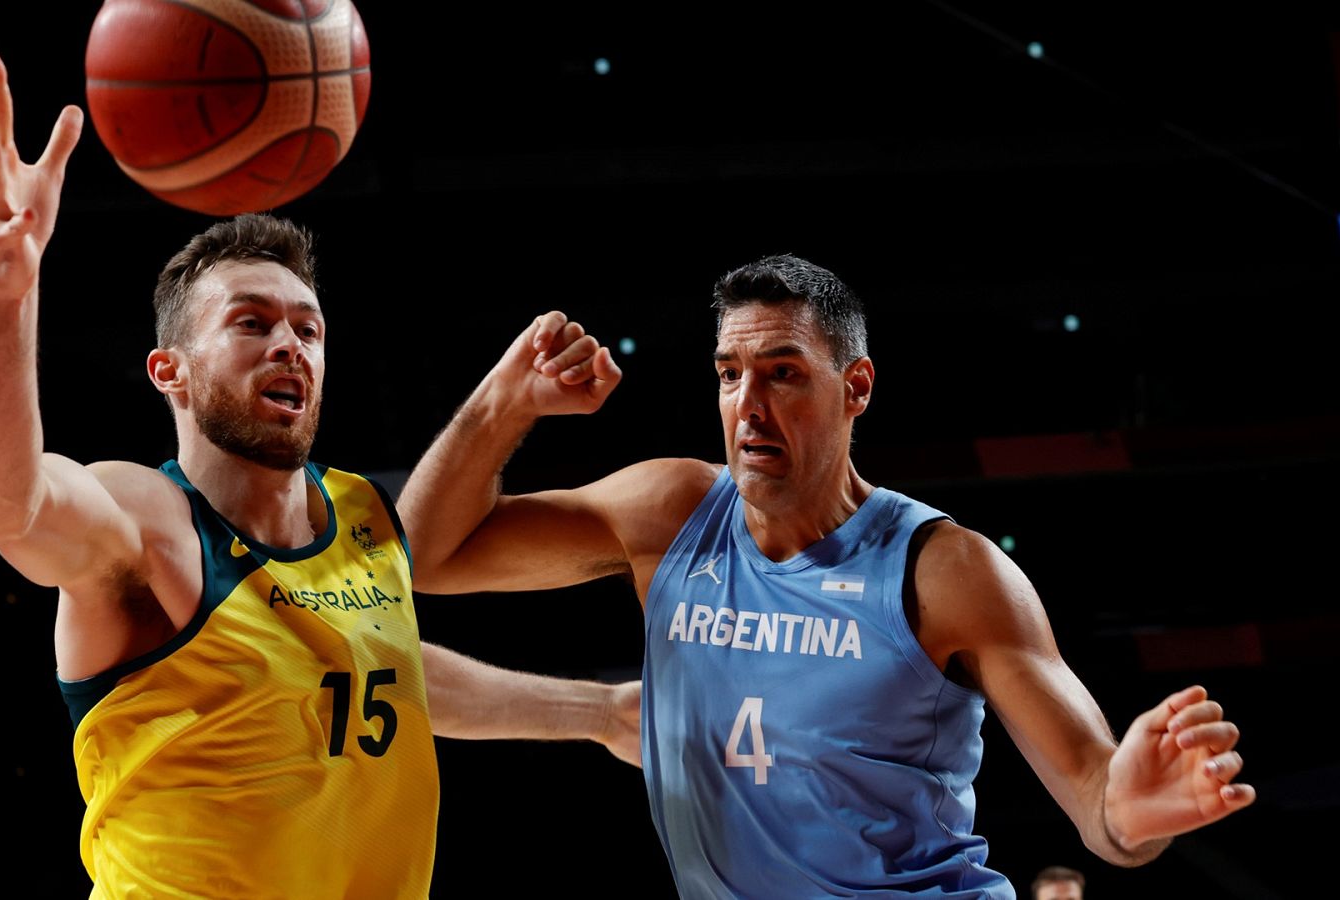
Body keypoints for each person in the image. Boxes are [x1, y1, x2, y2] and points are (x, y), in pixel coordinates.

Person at [0, 51, 638, 899]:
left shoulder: (354, 513)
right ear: (171, 372)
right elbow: (4, 505)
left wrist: (603, 714)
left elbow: (381, 668)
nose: (290, 344)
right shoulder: (150, 519)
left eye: (308, 329)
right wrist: (8, 292)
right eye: (251, 322)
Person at [403, 254, 1257, 898]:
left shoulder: (946, 572)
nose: (748, 405)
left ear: (856, 387)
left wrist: (1131, 813)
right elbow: (429, 557)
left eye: (782, 373)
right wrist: (504, 402)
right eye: (729, 375)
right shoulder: (670, 514)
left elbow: (1097, 800)